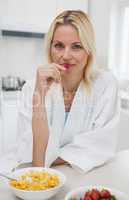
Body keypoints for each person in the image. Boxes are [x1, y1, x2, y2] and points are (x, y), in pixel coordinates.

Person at [0, 10, 119, 173]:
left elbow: (100, 144)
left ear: (88, 50)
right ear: (50, 48)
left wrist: (50, 157)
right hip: (38, 174)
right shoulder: (32, 87)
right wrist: (39, 97)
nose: (66, 55)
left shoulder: (105, 84)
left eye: (76, 46)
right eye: (59, 46)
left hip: (82, 174)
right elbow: (35, 157)